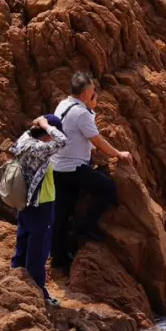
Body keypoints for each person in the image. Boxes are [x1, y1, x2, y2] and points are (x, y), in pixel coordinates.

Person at [50, 72, 133, 272]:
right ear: (86, 93)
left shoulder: (63, 105)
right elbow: (97, 140)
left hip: (57, 167)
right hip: (73, 168)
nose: (95, 93)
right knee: (108, 189)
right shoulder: (82, 113)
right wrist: (118, 154)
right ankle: (86, 225)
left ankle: (59, 257)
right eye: (93, 91)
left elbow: (77, 136)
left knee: (61, 212)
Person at [10, 113, 67, 305]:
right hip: (41, 203)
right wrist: (46, 124)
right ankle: (38, 290)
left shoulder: (24, 141)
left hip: (25, 201)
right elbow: (62, 141)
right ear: (48, 132)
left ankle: (16, 277)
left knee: (23, 239)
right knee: (39, 248)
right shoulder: (38, 149)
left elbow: (39, 135)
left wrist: (38, 124)